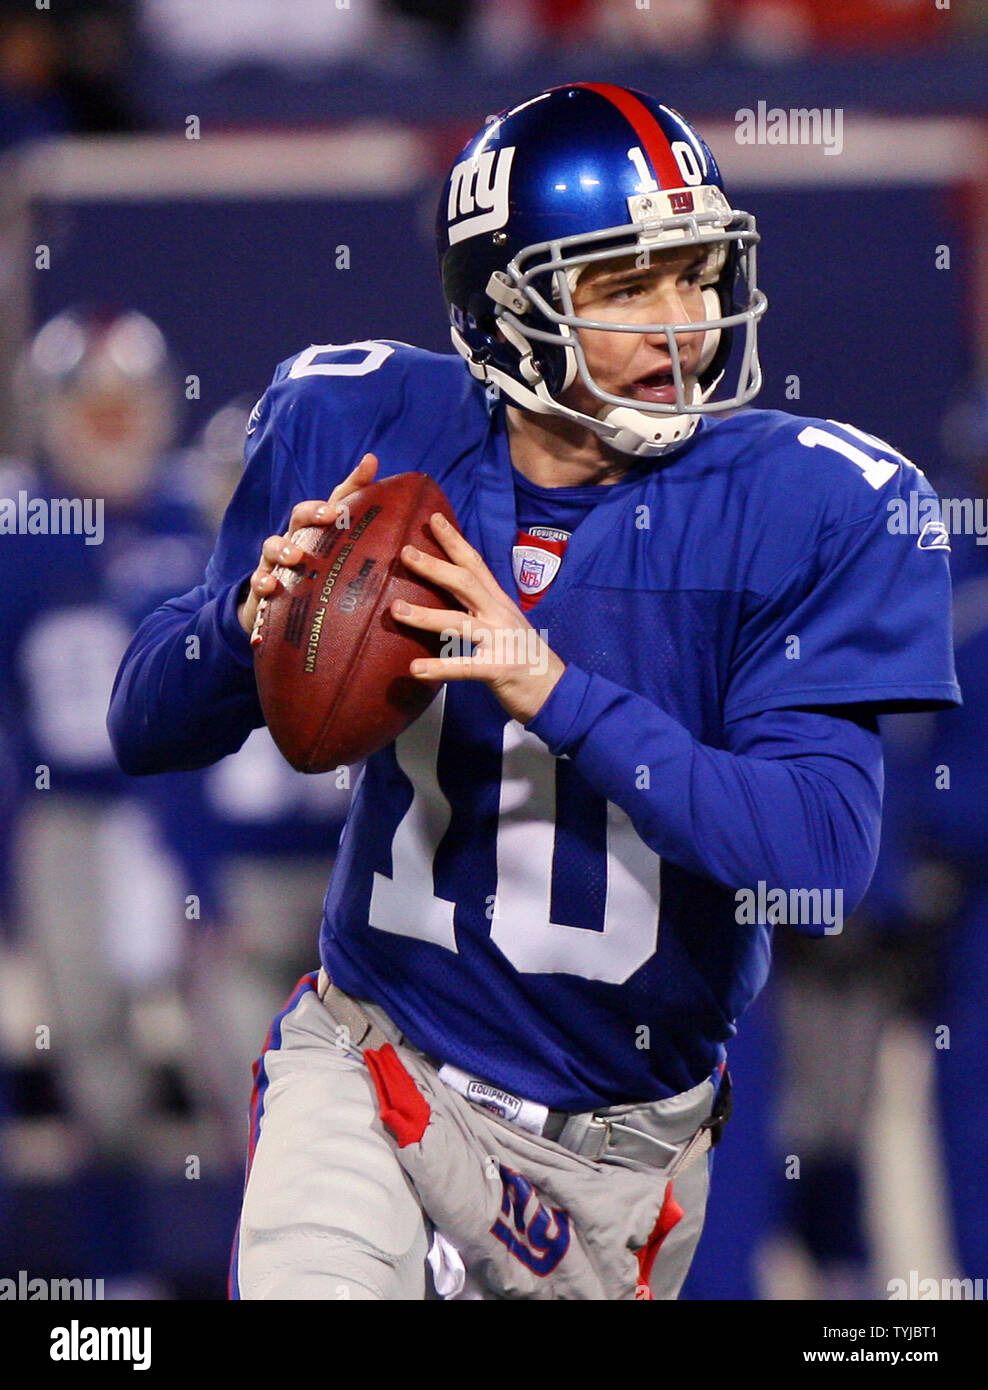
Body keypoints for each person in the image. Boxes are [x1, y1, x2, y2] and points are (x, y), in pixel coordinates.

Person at [107, 83, 960, 1301]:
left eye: (699, 273)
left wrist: (556, 691)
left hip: (614, 1156)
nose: (685, 323)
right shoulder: (360, 422)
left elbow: (821, 855)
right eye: (624, 285)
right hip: (378, 1061)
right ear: (502, 315)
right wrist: (244, 627)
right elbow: (141, 721)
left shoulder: (807, 505)